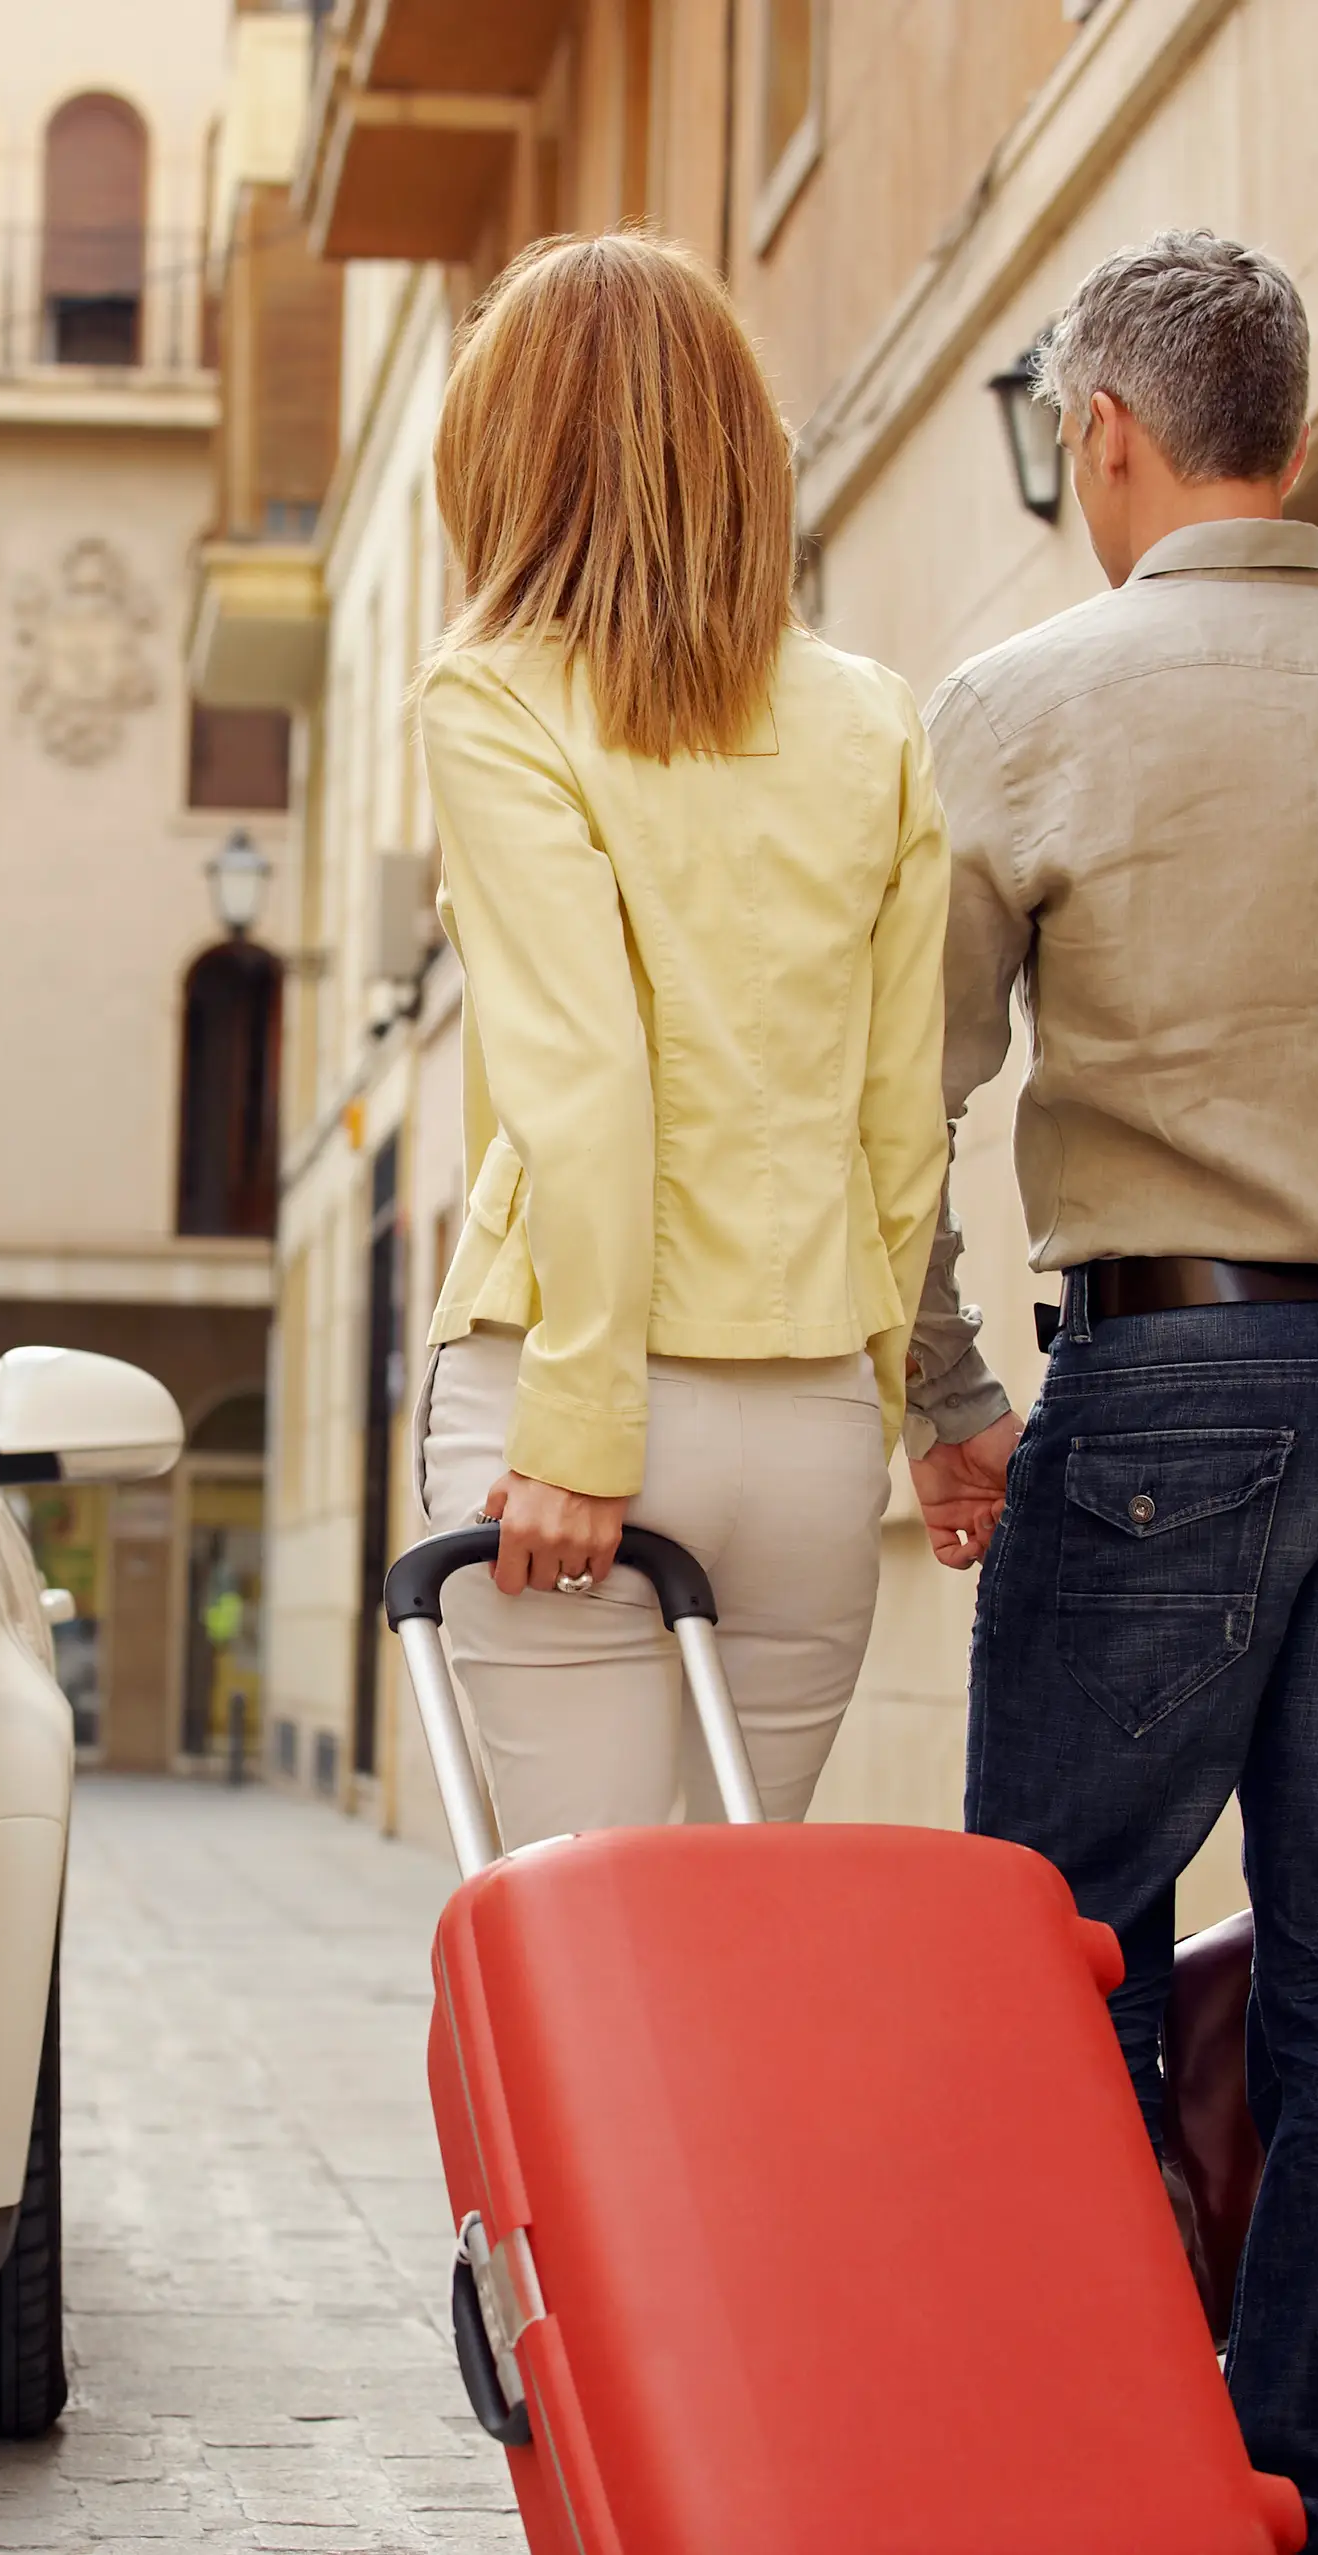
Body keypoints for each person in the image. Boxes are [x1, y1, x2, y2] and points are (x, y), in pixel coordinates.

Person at [901, 231, 1318, 2555]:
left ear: (1104, 432)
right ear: (1285, 434)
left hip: (1178, 1379)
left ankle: (1109, 2468)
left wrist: (940, 1386)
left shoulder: (1021, 703)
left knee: (1056, 1946)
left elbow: (905, 1091)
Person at [412, 230, 952, 1850]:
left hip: (578, 1401)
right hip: (808, 1425)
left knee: (592, 1975)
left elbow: (586, 1088)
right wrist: (867, 1394)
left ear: (505, 456)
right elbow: (899, 1126)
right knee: (728, 1965)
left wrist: (582, 1426)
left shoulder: (496, 699)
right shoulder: (871, 717)